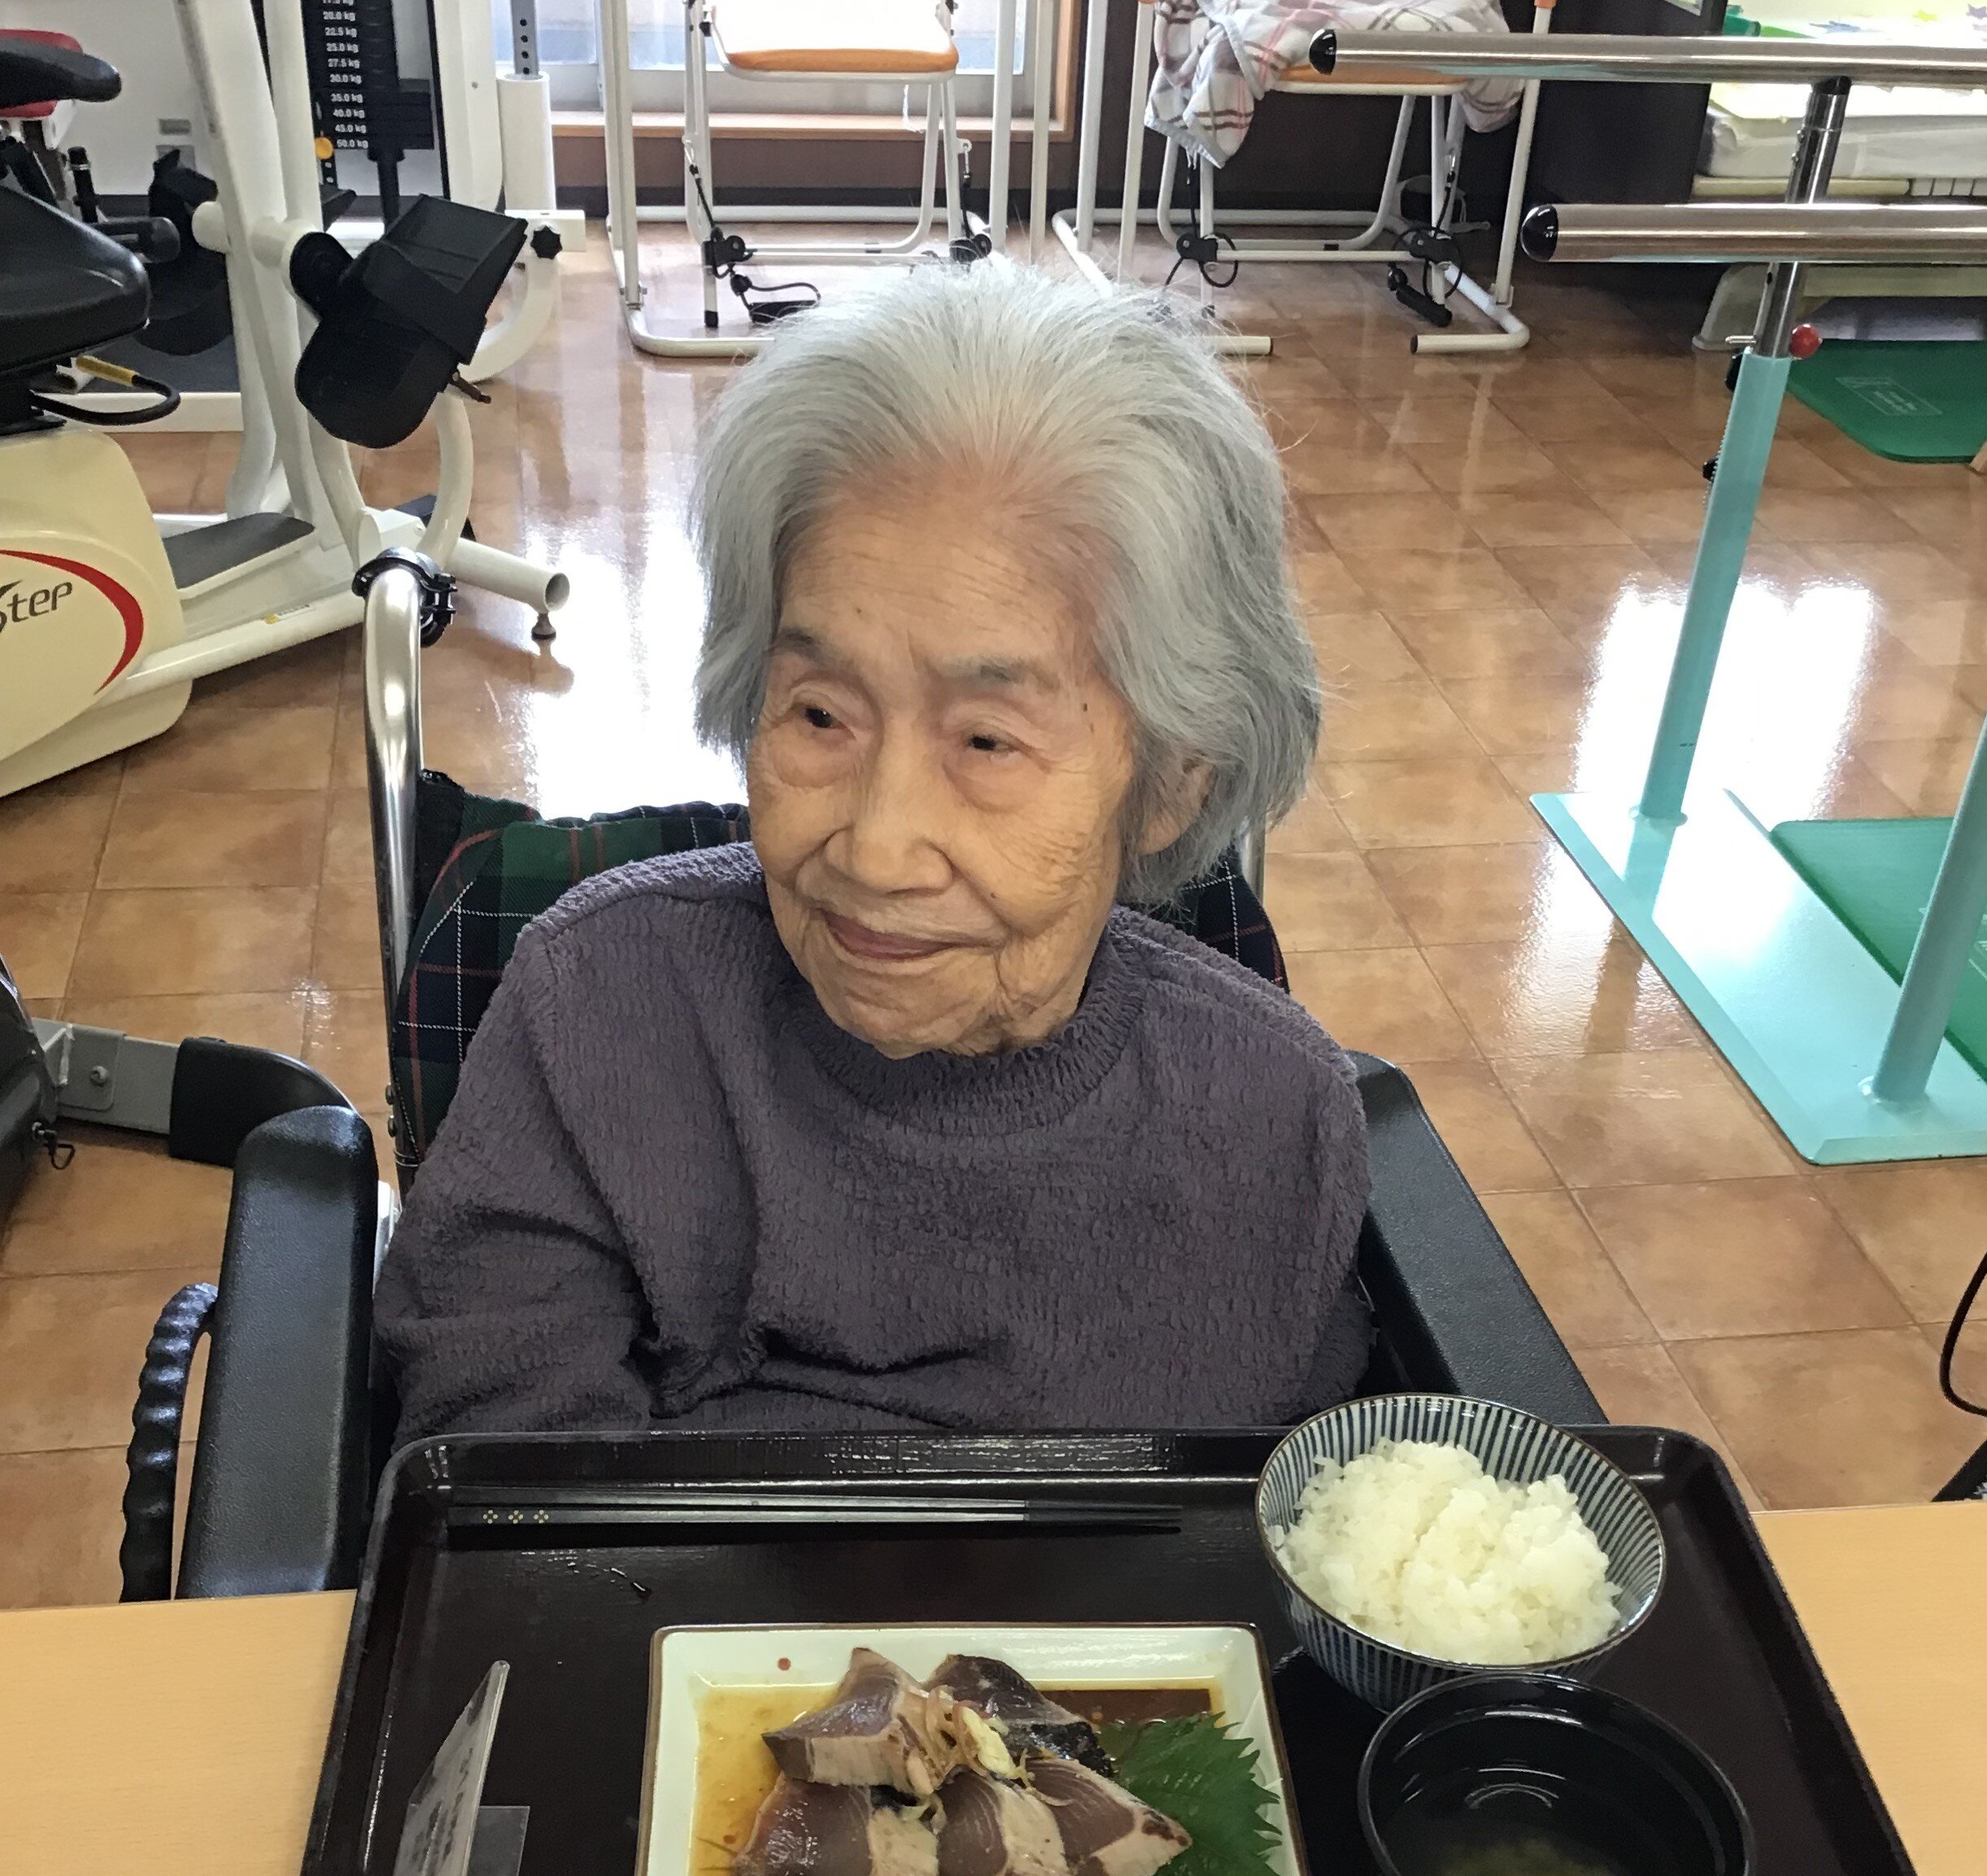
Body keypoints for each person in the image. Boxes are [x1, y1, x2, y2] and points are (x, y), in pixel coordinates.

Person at [374, 264, 1369, 1439]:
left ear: (1171, 784)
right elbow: (507, 1499)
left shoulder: (1274, 1128)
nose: (877, 849)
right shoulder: (592, 1019)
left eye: (986, 740)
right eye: (821, 714)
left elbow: (1298, 1516)